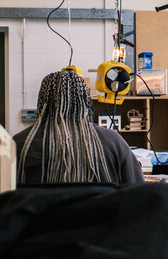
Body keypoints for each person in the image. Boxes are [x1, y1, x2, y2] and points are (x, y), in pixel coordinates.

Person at [15, 69, 143, 184]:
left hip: (43, 211)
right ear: (86, 100)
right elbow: (138, 190)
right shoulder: (113, 142)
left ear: (43, 102)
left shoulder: (20, 144)